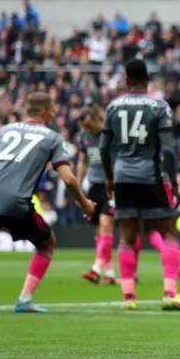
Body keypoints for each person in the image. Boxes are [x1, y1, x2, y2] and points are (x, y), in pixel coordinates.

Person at [99, 58, 180, 311]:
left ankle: (128, 297)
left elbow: (103, 148)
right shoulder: (159, 106)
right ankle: (170, 293)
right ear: (147, 79)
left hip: (122, 177)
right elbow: (169, 151)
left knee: (128, 237)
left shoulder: (113, 107)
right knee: (169, 233)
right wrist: (172, 182)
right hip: (151, 176)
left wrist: (110, 177)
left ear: (126, 80)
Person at [0, 92, 95, 313]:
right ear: (45, 113)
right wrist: (85, 204)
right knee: (46, 243)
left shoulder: (4, 130)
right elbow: (68, 178)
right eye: (53, 112)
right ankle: (25, 299)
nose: (54, 117)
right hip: (16, 203)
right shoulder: (52, 137)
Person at [77, 104, 118, 285]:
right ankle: (108, 273)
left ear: (97, 119)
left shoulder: (110, 135)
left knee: (105, 225)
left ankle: (96, 268)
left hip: (110, 185)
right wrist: (78, 186)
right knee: (98, 230)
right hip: (93, 186)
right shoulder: (84, 137)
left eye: (88, 125)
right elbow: (82, 161)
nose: (86, 129)